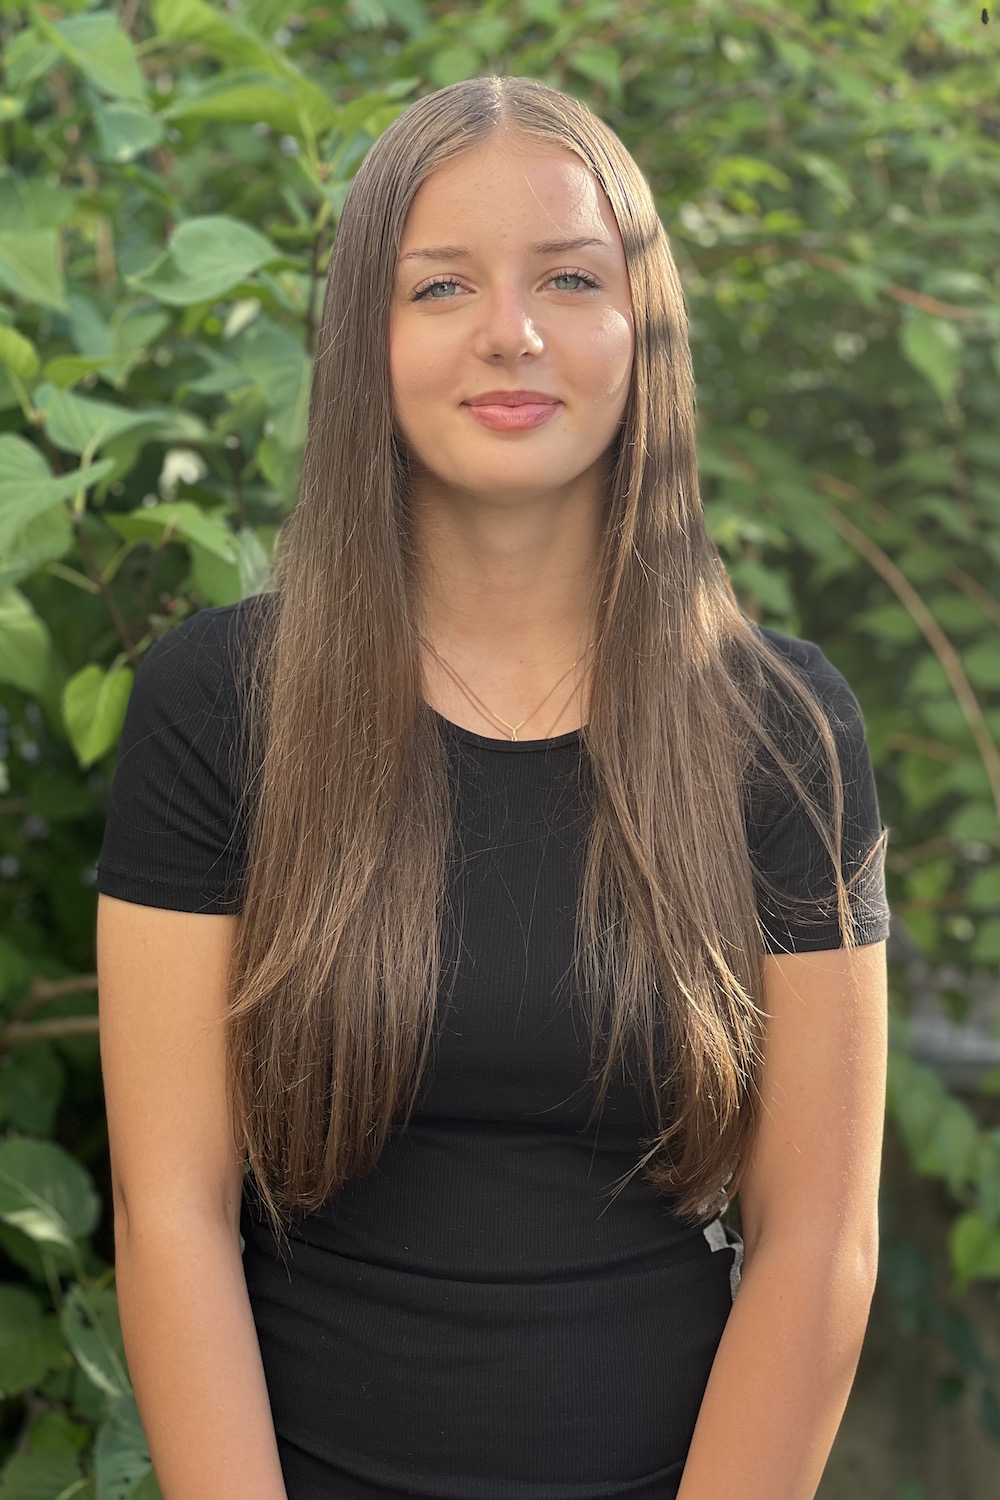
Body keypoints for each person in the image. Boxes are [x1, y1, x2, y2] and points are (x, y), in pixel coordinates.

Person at [96, 75, 891, 1500]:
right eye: (442, 284)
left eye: (571, 278)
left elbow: (820, 1242)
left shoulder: (784, 734)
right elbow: (172, 1219)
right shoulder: (217, 707)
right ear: (367, 338)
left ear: (646, 330)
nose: (511, 331)